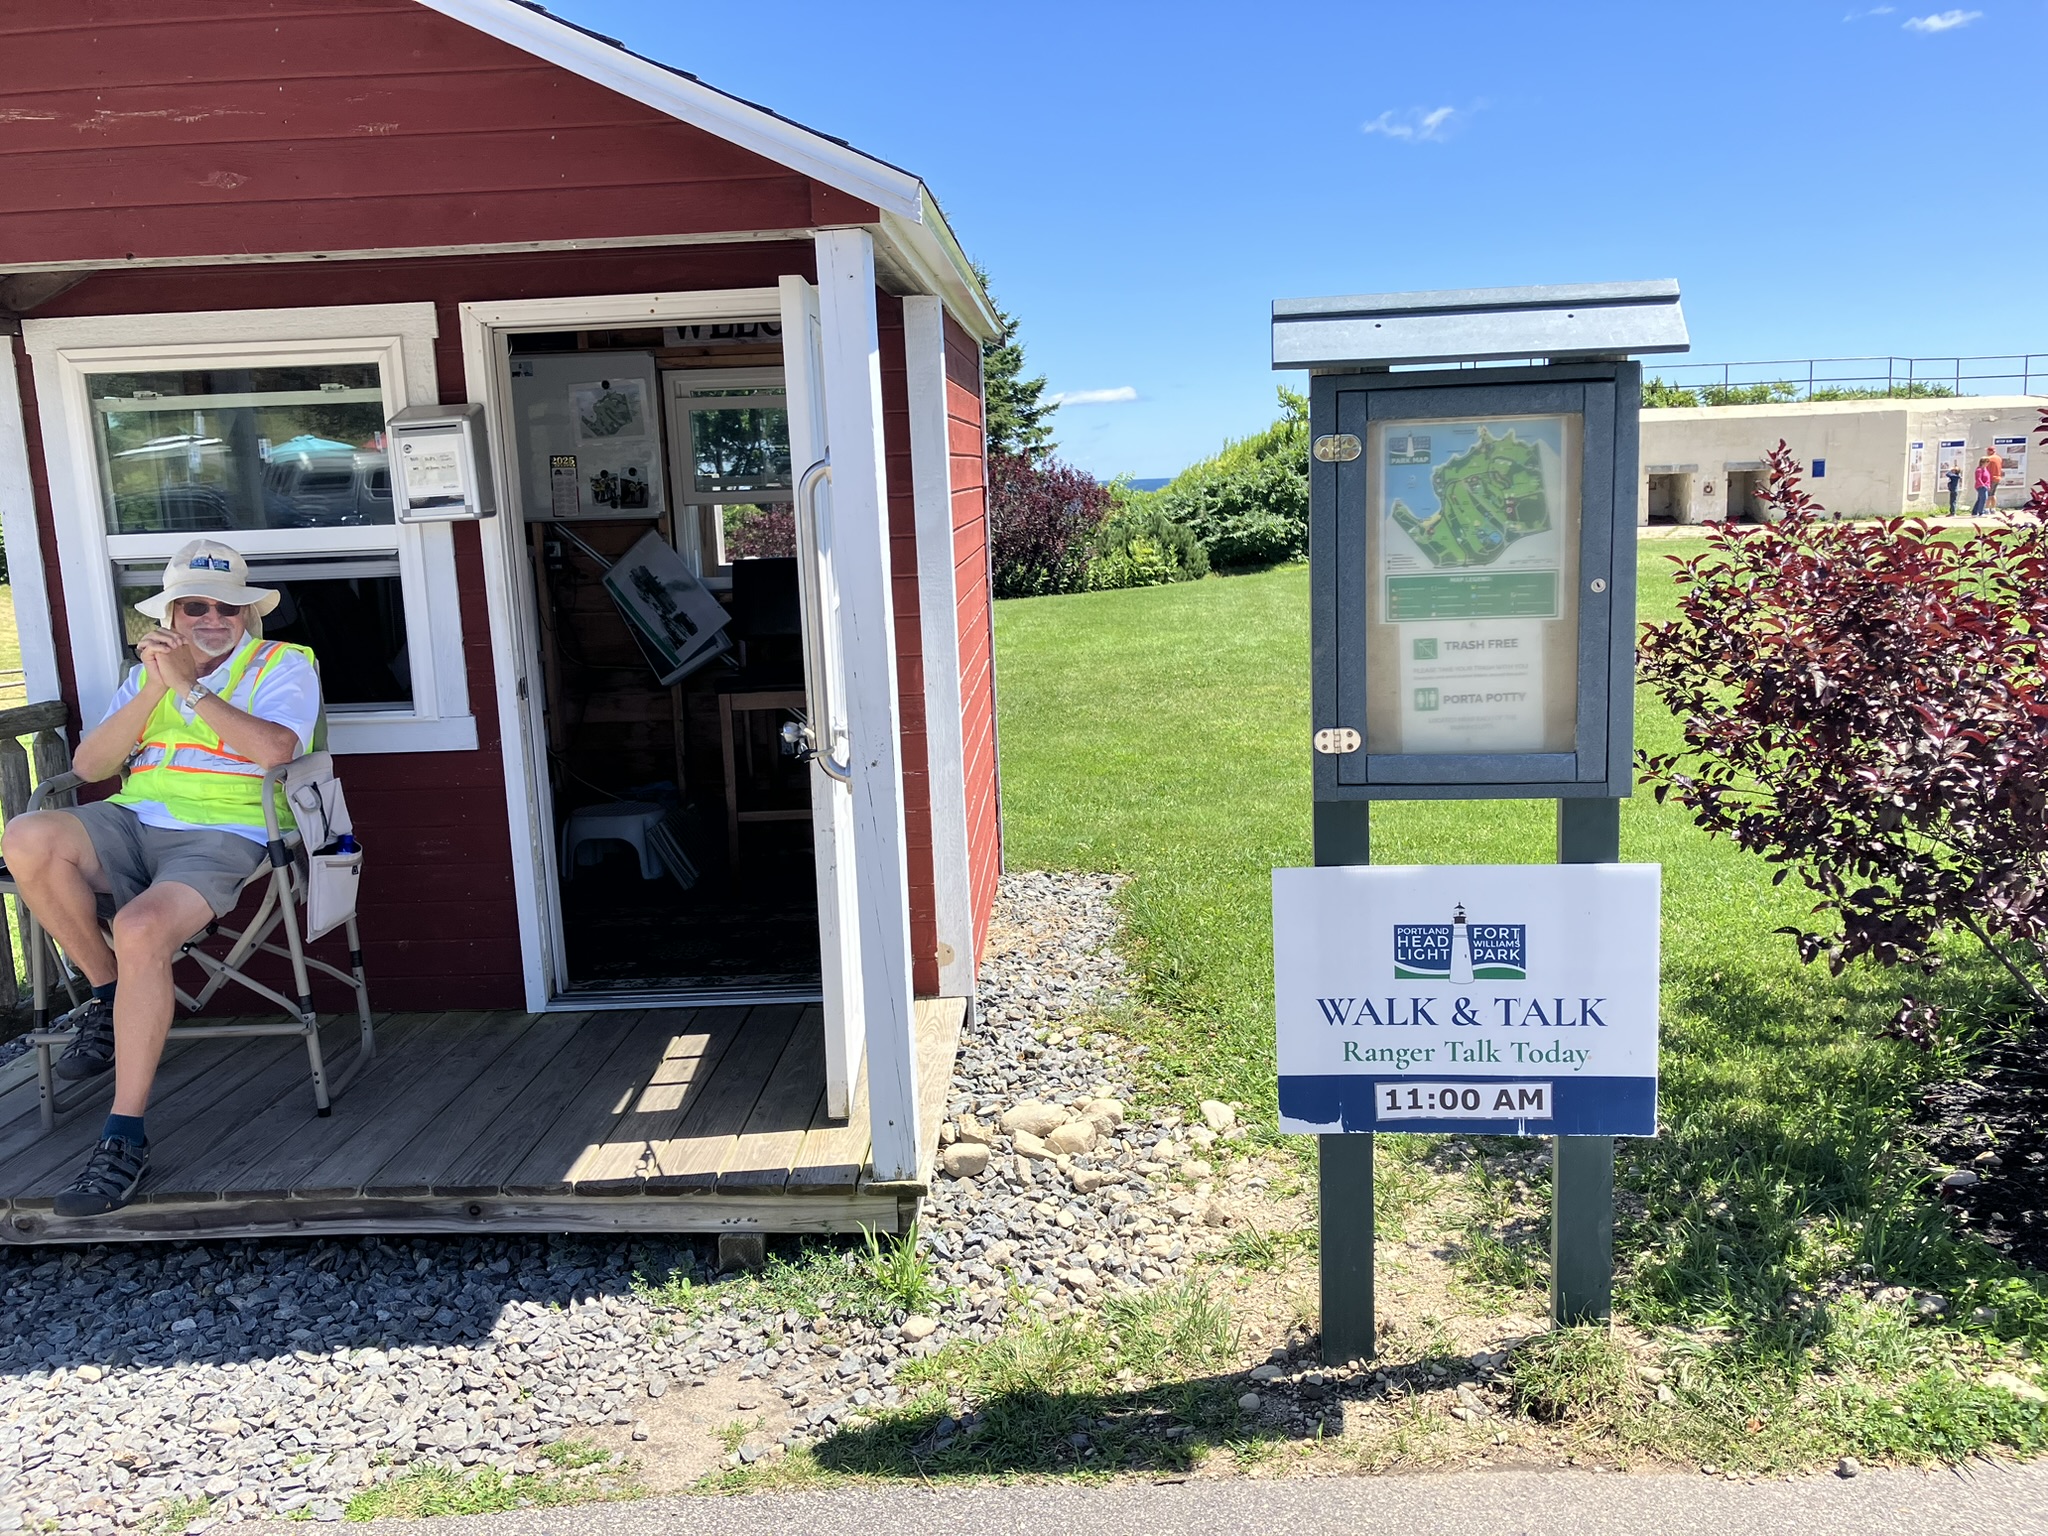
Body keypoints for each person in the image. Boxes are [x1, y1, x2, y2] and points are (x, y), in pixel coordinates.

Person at [2, 540, 319, 1217]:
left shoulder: (283, 664)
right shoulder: (149, 672)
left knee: (141, 927)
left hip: (226, 834)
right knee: (28, 835)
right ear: (171, 612)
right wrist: (152, 685)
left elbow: (274, 750)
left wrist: (187, 686)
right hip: (133, 821)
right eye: (195, 605)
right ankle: (108, 995)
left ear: (247, 614)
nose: (212, 618)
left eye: (227, 607)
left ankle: (124, 1134)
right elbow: (89, 767)